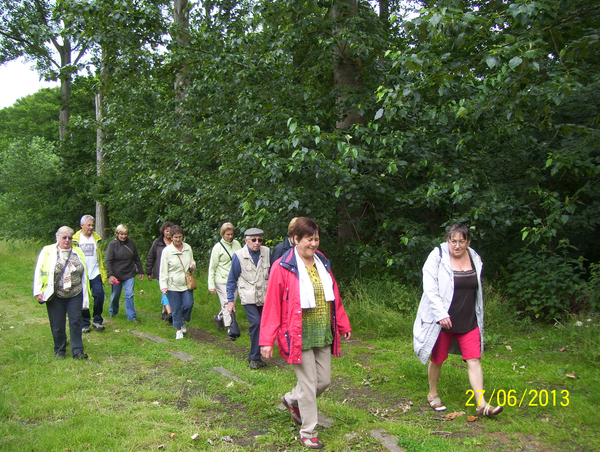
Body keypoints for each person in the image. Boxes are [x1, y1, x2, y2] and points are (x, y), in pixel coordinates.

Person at [260, 217, 351, 450]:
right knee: (309, 385)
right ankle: (308, 431)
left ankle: (291, 399)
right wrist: (267, 340)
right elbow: (272, 306)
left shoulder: (323, 262)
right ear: (295, 239)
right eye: (309, 239)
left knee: (324, 381)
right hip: (296, 334)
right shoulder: (282, 267)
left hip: (322, 332)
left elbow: (334, 297)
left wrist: (343, 324)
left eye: (316, 238)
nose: (313, 243)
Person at [413, 223, 502, 417]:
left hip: (469, 320)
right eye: (453, 241)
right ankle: (433, 393)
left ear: (468, 242)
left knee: (474, 360)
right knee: (438, 359)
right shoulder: (437, 257)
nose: (457, 245)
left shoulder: (474, 257)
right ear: (447, 241)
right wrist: (441, 314)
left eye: (462, 241)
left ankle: (482, 404)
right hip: (443, 322)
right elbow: (430, 289)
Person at [33, 226, 91, 359]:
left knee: (76, 320)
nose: (67, 240)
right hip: (55, 293)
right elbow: (39, 271)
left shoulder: (77, 251)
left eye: (70, 238)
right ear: (57, 237)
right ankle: (60, 349)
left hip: (75, 293)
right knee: (57, 323)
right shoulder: (47, 251)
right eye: (64, 237)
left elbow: (84, 272)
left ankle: (78, 351)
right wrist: (38, 291)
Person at [226, 227, 270, 369]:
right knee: (256, 323)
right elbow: (232, 280)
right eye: (253, 240)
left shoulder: (267, 252)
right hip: (249, 297)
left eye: (260, 240)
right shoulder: (238, 256)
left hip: (264, 295)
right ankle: (254, 357)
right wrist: (231, 301)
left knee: (263, 324)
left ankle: (258, 355)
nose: (257, 243)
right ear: (246, 241)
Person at [159, 225, 196, 340]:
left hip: (185, 283)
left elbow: (192, 260)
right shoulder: (167, 251)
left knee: (188, 304)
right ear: (171, 237)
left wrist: (193, 265)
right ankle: (178, 330)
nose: (178, 239)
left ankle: (183, 320)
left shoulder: (188, 248)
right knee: (175, 308)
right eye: (175, 237)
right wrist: (163, 286)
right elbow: (163, 270)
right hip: (172, 284)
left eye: (180, 237)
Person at [73, 215, 107, 333]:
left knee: (99, 295)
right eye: (89, 225)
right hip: (81, 274)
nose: (91, 227)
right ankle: (85, 322)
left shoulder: (96, 238)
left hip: (95, 272)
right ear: (82, 225)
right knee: (83, 299)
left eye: (92, 225)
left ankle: (97, 320)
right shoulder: (75, 240)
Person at [208, 222, 242, 340]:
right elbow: (212, 267)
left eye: (232, 234)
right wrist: (211, 285)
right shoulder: (217, 248)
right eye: (227, 234)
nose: (230, 237)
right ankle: (230, 329)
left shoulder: (237, 244)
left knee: (231, 303)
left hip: (235, 280)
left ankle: (219, 316)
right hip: (221, 280)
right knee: (227, 302)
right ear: (222, 234)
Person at [105, 224, 144, 322]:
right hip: (116, 275)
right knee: (116, 295)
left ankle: (131, 317)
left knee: (129, 294)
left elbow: (136, 258)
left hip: (129, 273)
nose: (123, 236)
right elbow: (108, 261)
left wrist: (141, 271)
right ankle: (113, 311)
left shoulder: (131, 243)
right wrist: (110, 275)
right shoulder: (112, 244)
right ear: (117, 234)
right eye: (121, 234)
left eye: (125, 234)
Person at [146, 221, 174, 322]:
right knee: (165, 291)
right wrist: (148, 271)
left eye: (170, 231)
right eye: (167, 231)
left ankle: (164, 312)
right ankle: (171, 314)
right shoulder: (157, 243)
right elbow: (151, 257)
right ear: (163, 232)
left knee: (169, 292)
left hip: (173, 272)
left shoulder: (176, 243)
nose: (168, 233)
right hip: (160, 272)